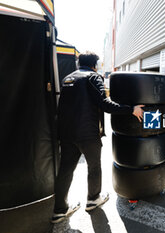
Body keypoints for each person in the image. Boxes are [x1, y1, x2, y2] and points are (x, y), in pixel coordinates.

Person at [52, 52, 144, 223]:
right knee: (94, 168)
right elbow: (105, 104)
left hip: (66, 133)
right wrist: (131, 109)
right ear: (95, 64)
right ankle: (93, 199)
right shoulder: (93, 77)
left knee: (65, 170)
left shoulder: (68, 78)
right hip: (87, 134)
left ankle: (59, 211)